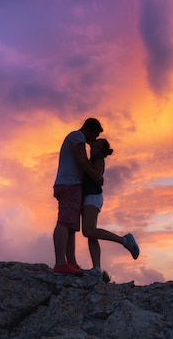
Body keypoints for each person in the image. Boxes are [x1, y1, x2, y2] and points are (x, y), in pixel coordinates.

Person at [52, 118, 104, 275]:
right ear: (90, 129)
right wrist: (96, 175)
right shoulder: (78, 136)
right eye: (95, 135)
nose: (93, 140)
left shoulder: (77, 138)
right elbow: (80, 159)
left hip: (72, 185)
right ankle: (60, 263)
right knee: (64, 222)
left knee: (71, 226)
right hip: (69, 184)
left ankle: (71, 263)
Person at [81, 138, 139, 277]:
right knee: (91, 233)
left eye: (98, 141)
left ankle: (125, 241)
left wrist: (83, 164)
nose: (95, 140)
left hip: (93, 196)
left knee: (89, 231)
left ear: (100, 147)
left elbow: (97, 176)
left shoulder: (98, 157)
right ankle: (96, 268)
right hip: (90, 197)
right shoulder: (94, 158)